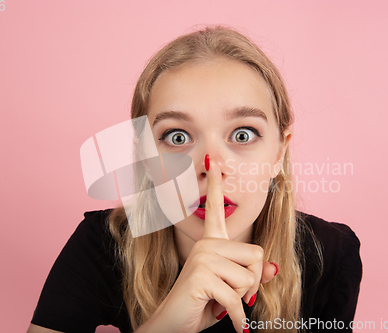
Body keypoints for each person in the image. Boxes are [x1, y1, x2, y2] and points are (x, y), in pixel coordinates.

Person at [27, 26, 362, 333]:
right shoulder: (104, 243)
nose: (211, 167)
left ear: (278, 154)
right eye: (176, 137)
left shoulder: (330, 253)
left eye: (243, 135)